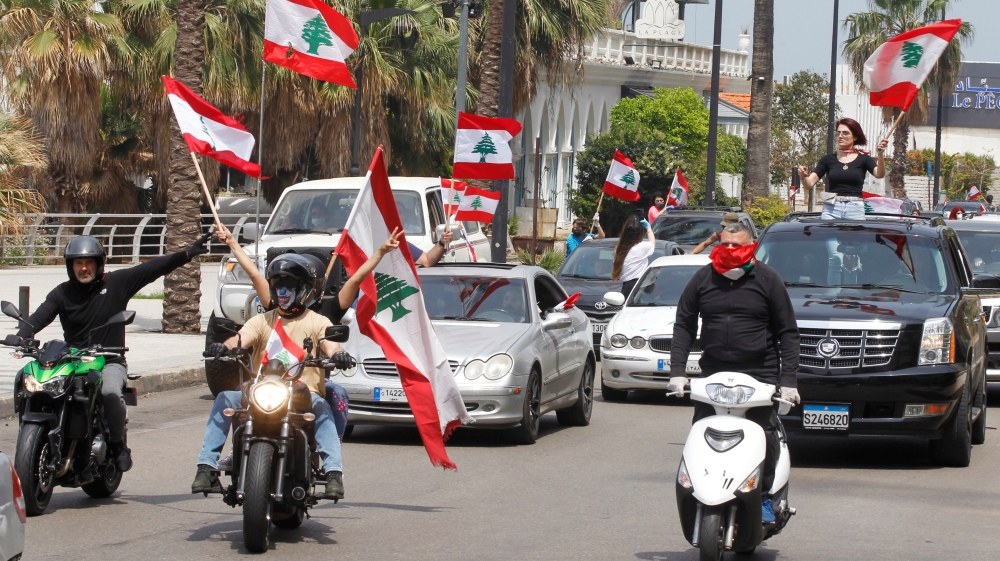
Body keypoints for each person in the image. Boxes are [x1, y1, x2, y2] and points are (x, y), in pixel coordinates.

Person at [6, 232, 214, 472]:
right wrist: (22, 336)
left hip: (109, 359)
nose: (84, 268)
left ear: (98, 263)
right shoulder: (61, 293)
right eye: (78, 263)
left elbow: (152, 268)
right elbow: (38, 317)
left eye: (89, 263)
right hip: (72, 359)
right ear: (70, 266)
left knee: (110, 393)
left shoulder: (116, 284)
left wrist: (187, 254)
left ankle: (117, 445)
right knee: (30, 380)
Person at [214, 223, 404, 440]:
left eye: (296, 283)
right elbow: (255, 275)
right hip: (269, 382)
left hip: (311, 382)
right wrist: (231, 242)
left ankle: (332, 450)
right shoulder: (274, 311)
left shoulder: (326, 312)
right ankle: (239, 446)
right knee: (238, 395)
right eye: (282, 283)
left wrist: (380, 252)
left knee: (338, 394)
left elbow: (356, 280)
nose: (285, 290)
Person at [667, 222, 800, 524]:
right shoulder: (702, 278)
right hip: (714, 373)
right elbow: (684, 325)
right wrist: (678, 372)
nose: (729, 251)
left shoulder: (769, 279)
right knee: (702, 433)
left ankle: (765, 497)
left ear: (751, 246)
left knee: (763, 436)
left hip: (759, 373)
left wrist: (788, 381)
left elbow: (788, 333)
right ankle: (700, 488)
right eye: (724, 245)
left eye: (736, 246)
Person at [192, 253, 354, 499]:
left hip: (304, 394)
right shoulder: (262, 321)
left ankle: (333, 472)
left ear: (303, 289)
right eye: (278, 286)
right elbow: (240, 338)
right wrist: (223, 347)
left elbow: (331, 345)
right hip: (261, 390)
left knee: (321, 408)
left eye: (288, 286)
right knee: (225, 398)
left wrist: (339, 354)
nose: (282, 292)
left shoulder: (318, 321)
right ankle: (206, 467)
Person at [797, 118, 888, 220]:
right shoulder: (827, 159)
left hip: (855, 209)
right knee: (829, 236)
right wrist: (803, 176)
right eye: (838, 133)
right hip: (831, 208)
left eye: (845, 133)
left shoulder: (864, 159)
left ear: (855, 137)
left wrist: (880, 154)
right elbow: (809, 184)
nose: (840, 136)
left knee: (853, 236)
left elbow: (879, 174)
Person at [612, 216, 656, 298]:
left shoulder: (619, 248)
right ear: (640, 233)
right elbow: (653, 243)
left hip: (626, 287)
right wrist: (649, 228)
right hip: (640, 286)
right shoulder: (642, 247)